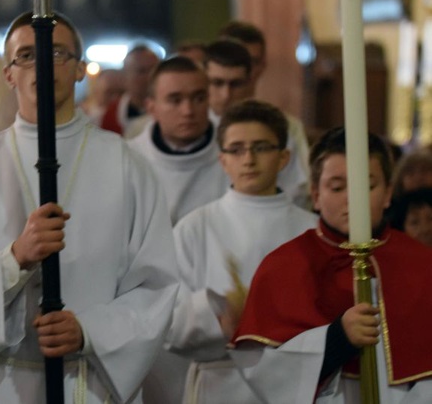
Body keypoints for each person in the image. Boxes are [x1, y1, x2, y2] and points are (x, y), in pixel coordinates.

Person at [0, 12, 179, 403]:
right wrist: (15, 258)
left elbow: (158, 285)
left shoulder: (126, 165)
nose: (42, 65)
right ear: (8, 73)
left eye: (57, 53)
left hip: (89, 379)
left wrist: (89, 331)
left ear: (80, 69)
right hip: (2, 384)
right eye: (26, 55)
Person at [230, 128, 432, 403]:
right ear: (315, 195)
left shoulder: (421, 262)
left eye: (367, 186)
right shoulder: (286, 266)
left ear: (387, 194)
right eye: (337, 187)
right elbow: (263, 371)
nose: (353, 199)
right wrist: (336, 339)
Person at [156, 100, 317, 404]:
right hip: (219, 383)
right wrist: (219, 316)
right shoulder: (195, 228)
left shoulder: (311, 231)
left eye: (261, 147)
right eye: (237, 149)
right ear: (222, 160)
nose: (249, 159)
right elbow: (167, 326)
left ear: (284, 157)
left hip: (295, 385)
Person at [219, 20, 312, 209]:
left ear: (262, 66)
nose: (244, 68)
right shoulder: (190, 126)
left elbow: (300, 191)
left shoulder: (287, 126)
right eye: (234, 59)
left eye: (251, 62)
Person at [128, 56, 228, 224]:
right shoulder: (128, 159)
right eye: (175, 100)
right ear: (151, 107)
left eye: (198, 98)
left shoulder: (233, 153)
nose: (188, 111)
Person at [99, 45, 160, 135]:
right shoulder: (111, 115)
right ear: (125, 77)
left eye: (154, 70)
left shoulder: (171, 108)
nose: (150, 77)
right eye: (142, 71)